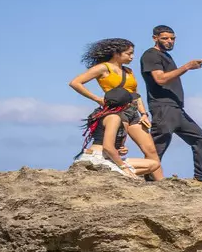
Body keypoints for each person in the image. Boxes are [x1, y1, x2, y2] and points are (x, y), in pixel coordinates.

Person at [67, 38, 164, 180]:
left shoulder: (129, 71)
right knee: (116, 146)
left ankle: (161, 184)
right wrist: (97, 99)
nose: (132, 57)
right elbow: (75, 83)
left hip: (133, 112)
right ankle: (119, 172)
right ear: (116, 53)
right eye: (128, 54)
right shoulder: (103, 68)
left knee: (150, 150)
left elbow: (135, 93)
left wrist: (143, 113)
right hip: (116, 111)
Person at [141, 24, 202, 181]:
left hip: (176, 108)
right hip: (162, 107)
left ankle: (201, 179)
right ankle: (148, 180)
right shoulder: (151, 55)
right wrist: (187, 66)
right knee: (157, 146)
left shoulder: (166, 56)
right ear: (155, 38)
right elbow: (160, 79)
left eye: (172, 38)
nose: (170, 41)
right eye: (165, 38)